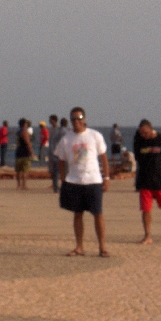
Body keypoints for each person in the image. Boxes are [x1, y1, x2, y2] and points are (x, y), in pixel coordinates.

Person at [53, 107, 110, 257]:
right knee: (78, 214)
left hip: (93, 180)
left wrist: (107, 177)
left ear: (84, 119)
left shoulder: (94, 135)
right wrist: (63, 179)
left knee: (98, 213)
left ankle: (102, 247)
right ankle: (79, 247)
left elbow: (103, 157)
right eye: (73, 119)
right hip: (74, 181)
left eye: (79, 118)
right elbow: (61, 159)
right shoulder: (67, 139)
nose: (76, 121)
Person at [134, 119, 161, 243]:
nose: (144, 135)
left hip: (160, 179)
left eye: (145, 133)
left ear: (151, 129)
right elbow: (138, 157)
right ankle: (147, 235)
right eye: (141, 133)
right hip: (145, 180)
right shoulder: (139, 141)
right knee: (146, 209)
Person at [47, 115, 64, 193]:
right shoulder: (52, 129)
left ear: (53, 120)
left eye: (50, 119)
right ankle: (55, 185)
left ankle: (57, 186)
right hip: (52, 152)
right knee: (53, 170)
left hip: (57, 153)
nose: (49, 121)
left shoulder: (58, 130)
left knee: (57, 170)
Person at [15, 118, 33, 190]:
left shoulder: (18, 132)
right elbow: (27, 143)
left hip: (18, 152)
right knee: (25, 170)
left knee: (18, 170)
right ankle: (24, 185)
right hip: (25, 152)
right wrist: (31, 152)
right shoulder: (24, 132)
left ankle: (19, 185)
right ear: (24, 124)